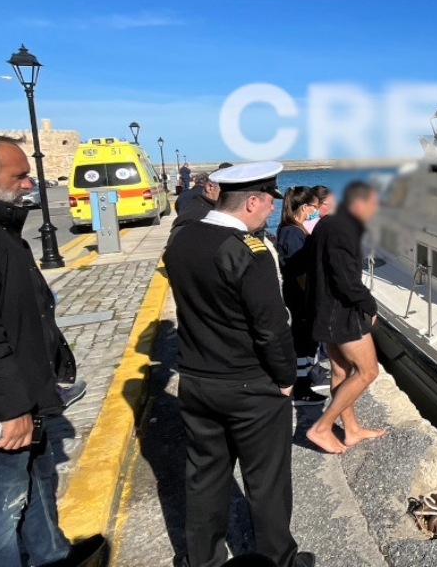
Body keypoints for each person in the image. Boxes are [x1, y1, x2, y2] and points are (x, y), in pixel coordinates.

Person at [0, 131, 106, 567]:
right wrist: (10, 408)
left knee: (35, 483)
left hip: (22, 394)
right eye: (20, 176)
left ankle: (53, 556)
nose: (30, 184)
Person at [162, 162, 312, 567]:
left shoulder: (183, 238)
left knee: (204, 476)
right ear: (251, 202)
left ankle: (202, 559)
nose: (271, 209)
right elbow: (271, 327)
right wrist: (286, 377)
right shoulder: (248, 251)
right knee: (267, 481)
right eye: (268, 201)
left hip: (197, 380)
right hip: (249, 385)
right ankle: (279, 560)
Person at [305, 181, 386, 454]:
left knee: (341, 371)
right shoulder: (344, 229)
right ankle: (322, 427)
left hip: (325, 311)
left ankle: (350, 429)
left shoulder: (327, 223)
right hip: (341, 314)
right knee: (368, 371)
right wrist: (370, 306)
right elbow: (346, 281)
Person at [275, 186, 327, 406]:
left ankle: (307, 380)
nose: (316, 210)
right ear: (304, 207)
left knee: (305, 339)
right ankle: (301, 388)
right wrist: (314, 298)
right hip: (300, 296)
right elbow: (300, 272)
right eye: (314, 206)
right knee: (303, 341)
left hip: (296, 294)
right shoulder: (293, 233)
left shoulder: (291, 228)